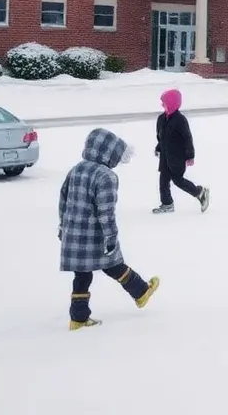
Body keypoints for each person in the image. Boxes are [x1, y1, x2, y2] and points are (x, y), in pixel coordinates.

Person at [59, 127, 159, 330]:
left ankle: (77, 319)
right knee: (114, 264)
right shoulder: (106, 176)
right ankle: (141, 292)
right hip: (94, 236)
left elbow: (63, 199)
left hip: (73, 234)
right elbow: (106, 212)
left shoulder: (76, 169)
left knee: (83, 274)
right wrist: (111, 237)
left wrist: (63, 225)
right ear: (108, 154)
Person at [153, 88, 211, 214]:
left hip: (177, 157)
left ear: (172, 104)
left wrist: (190, 156)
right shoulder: (161, 119)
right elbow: (161, 137)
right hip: (165, 156)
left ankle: (199, 192)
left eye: (165, 102)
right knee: (163, 181)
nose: (162, 104)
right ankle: (167, 204)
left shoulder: (180, 120)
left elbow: (187, 138)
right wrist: (158, 148)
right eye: (162, 102)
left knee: (177, 180)